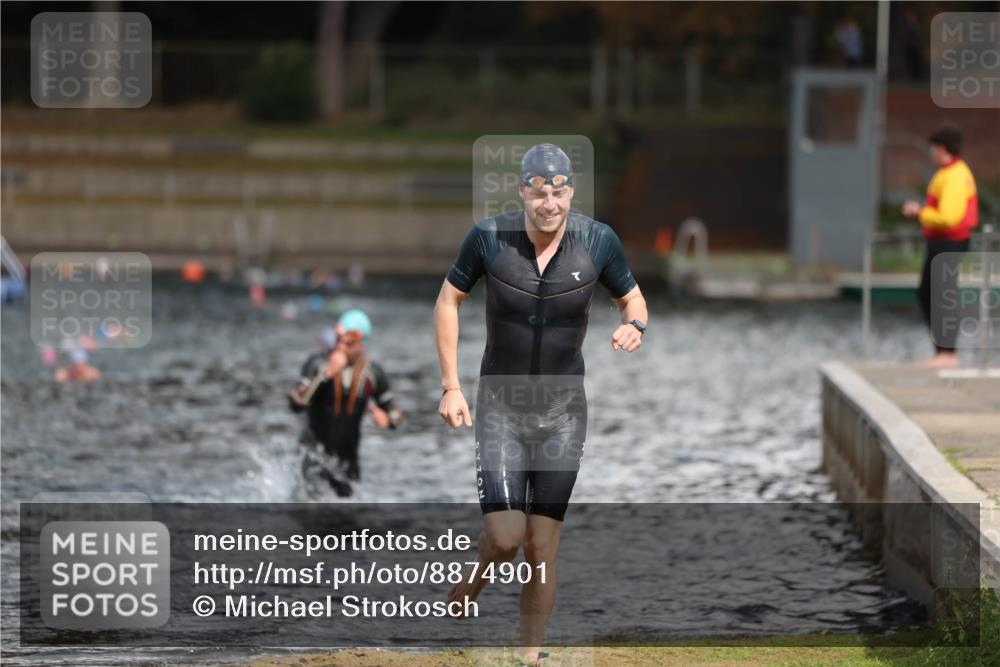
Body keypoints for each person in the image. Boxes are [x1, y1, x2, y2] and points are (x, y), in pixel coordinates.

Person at [434, 143, 648, 665]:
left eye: (558, 192)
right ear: (522, 192)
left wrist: (634, 324)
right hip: (502, 407)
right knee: (507, 538)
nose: (548, 203)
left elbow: (632, 297)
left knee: (540, 548)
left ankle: (529, 657)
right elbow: (448, 301)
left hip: (563, 414)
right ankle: (474, 581)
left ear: (571, 192)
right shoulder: (488, 238)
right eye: (538, 192)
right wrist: (451, 386)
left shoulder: (598, 241)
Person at [288, 309, 402, 496]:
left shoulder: (372, 373)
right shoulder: (317, 363)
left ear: (361, 344)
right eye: (338, 339)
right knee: (311, 515)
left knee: (347, 521)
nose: (341, 347)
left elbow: (396, 415)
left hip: (347, 461)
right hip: (313, 454)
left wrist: (388, 420)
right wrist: (325, 375)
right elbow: (296, 403)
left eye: (348, 342)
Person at [902, 124, 978, 369]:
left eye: (933, 148)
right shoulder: (945, 173)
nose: (931, 153)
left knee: (941, 294)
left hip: (949, 241)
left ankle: (947, 355)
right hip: (940, 241)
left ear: (941, 148)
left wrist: (919, 212)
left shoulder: (955, 175)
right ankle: (942, 353)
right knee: (928, 293)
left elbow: (949, 217)